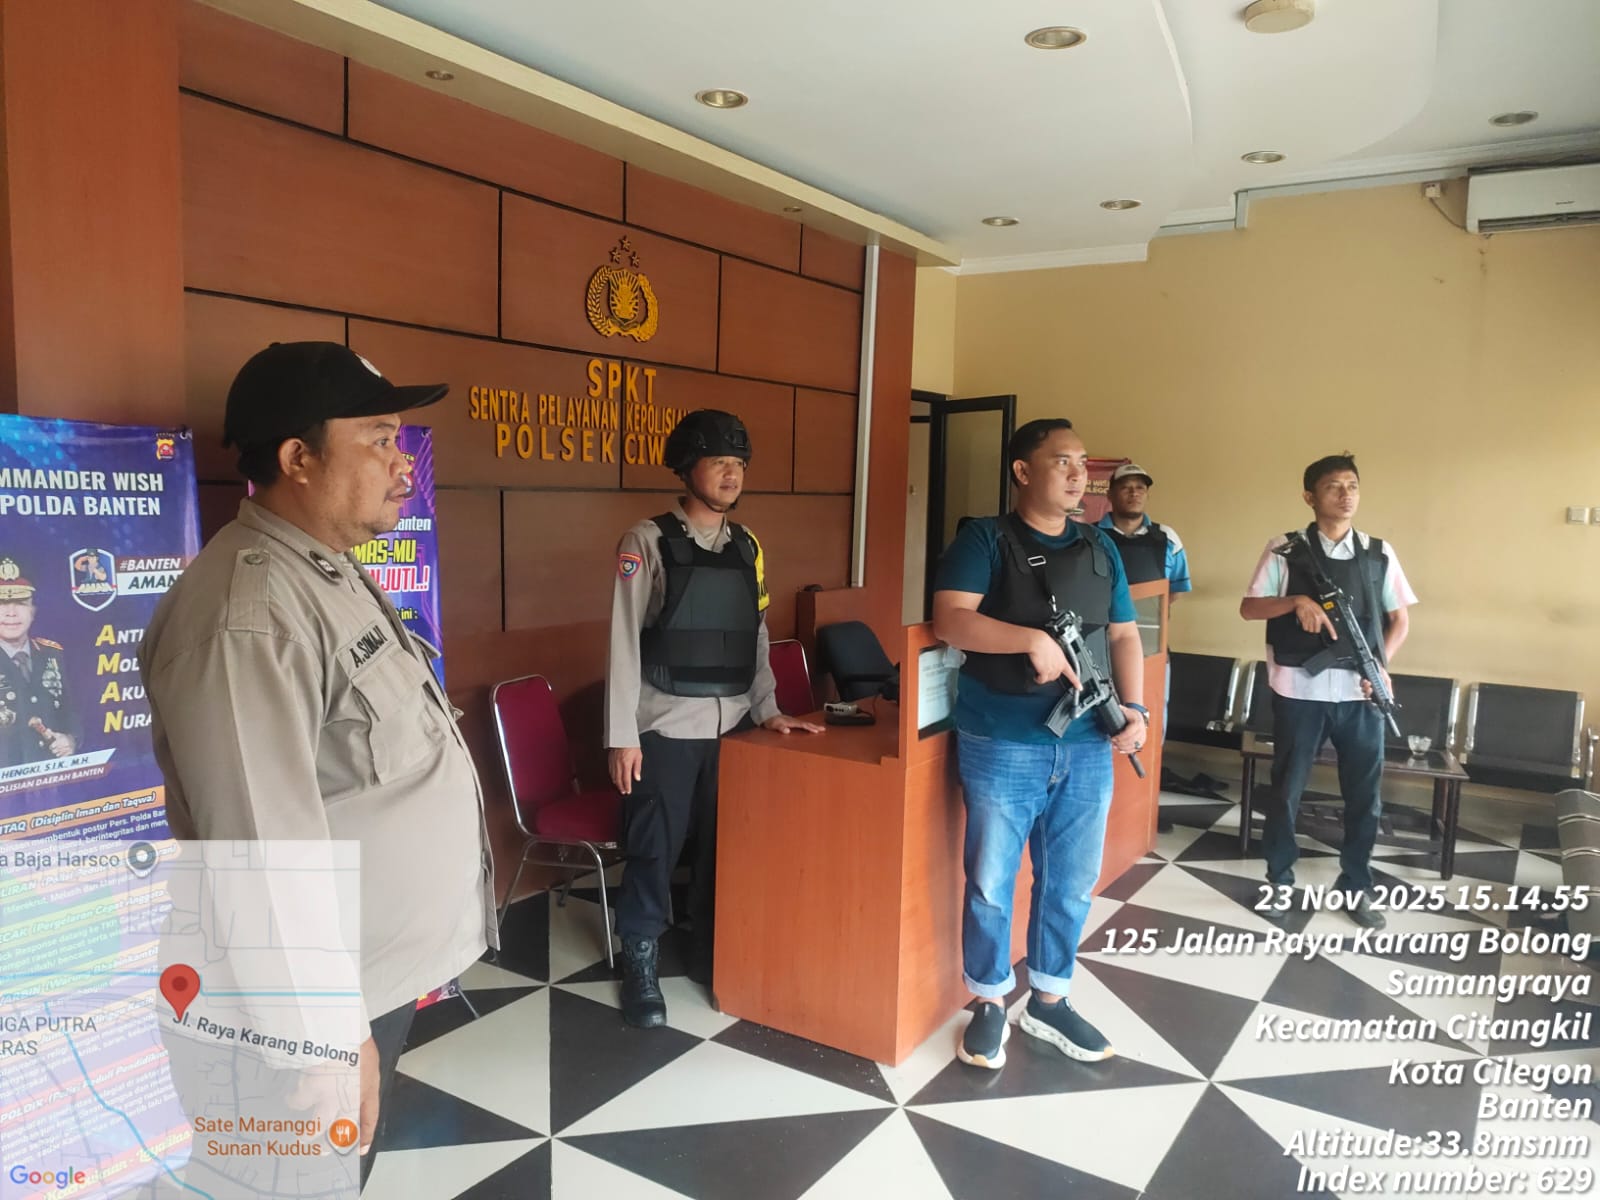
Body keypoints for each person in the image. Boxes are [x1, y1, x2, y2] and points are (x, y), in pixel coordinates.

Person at [140, 342, 496, 1187]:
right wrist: (323, 1040)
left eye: (400, 439)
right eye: (379, 439)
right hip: (290, 1018)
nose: (402, 463)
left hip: (357, 985)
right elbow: (264, 849)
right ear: (299, 458)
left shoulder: (323, 572)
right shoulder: (247, 613)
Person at [932, 418, 1147, 1070]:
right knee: (991, 881)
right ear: (1023, 471)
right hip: (1003, 740)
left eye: (1083, 463)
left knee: (1072, 881)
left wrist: (1136, 708)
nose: (1080, 475)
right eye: (1063, 462)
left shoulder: (1100, 546)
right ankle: (990, 1000)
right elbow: (950, 619)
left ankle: (1050, 1000)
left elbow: (1124, 634)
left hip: (1087, 742)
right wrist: (1027, 639)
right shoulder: (984, 538)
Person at [605, 408, 822, 1029]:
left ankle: (709, 950)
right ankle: (640, 957)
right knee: (654, 850)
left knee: (719, 850)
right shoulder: (645, 541)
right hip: (666, 728)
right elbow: (623, 640)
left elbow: (756, 634)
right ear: (687, 468)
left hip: (733, 731)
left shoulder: (747, 546)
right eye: (719, 462)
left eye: (739, 464)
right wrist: (622, 736)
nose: (732, 474)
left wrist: (769, 710)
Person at [1240, 452, 1416, 931]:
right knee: (1286, 793)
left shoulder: (1378, 552)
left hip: (1361, 693)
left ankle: (1356, 885)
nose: (1345, 495)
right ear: (1309, 496)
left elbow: (1399, 620)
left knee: (1365, 797)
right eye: (1334, 486)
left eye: (1352, 486)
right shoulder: (1284, 548)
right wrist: (1295, 601)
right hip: (1299, 689)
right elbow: (1250, 608)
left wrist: (1380, 666)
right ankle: (1279, 881)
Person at [0, 557, 78, 767]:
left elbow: (72, 709)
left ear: (33, 611)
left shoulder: (53, 654)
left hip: (53, 776)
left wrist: (71, 739)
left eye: (21, 603)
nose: (11, 613)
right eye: (2, 603)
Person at [1096, 463, 1191, 597]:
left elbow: (1178, 587)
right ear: (1109, 495)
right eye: (1125, 487)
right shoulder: (1088, 536)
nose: (1134, 493)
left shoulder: (1167, 537)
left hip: (1149, 612)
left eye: (1140, 488)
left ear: (1147, 495)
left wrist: (1157, 609)